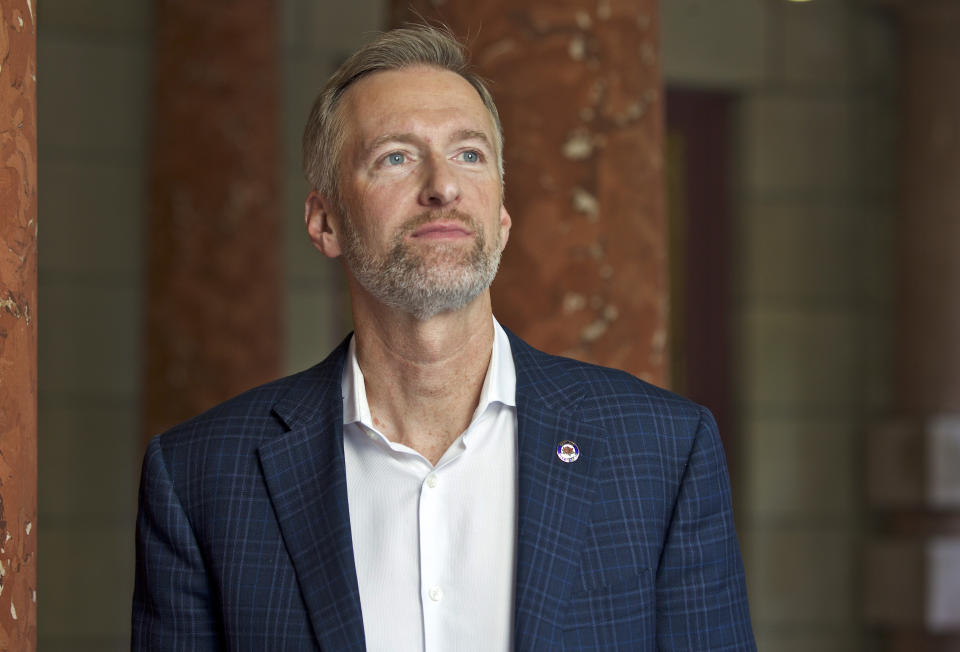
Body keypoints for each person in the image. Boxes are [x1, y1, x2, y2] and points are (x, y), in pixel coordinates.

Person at [132, 24, 755, 651]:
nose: (443, 186)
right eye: (396, 157)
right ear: (325, 222)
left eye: (469, 154)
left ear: (502, 215)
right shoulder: (201, 477)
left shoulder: (662, 452)